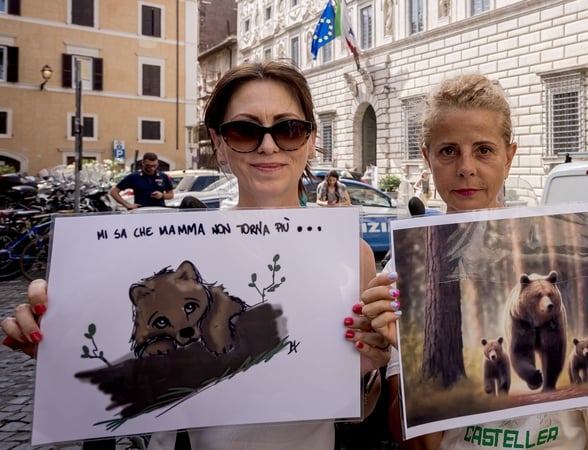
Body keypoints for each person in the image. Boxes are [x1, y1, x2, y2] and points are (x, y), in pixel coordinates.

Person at [0, 61, 393, 449]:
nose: (268, 145)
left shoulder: (348, 253)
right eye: (244, 130)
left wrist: (364, 370)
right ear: (219, 143)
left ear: (309, 138)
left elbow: (358, 411)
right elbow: (123, 370)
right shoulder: (163, 250)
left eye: (287, 128)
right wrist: (61, 347)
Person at [356, 74, 588, 450]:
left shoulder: (557, 243)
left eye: (484, 150)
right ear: (427, 158)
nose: (466, 167)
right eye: (448, 151)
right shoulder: (405, 270)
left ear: (509, 157)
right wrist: (413, 361)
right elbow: (415, 443)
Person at [109, 152, 174, 209]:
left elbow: (171, 195)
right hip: (140, 211)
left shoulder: (163, 176)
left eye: (154, 166)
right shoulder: (134, 177)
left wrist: (162, 195)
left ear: (157, 164)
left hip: (160, 210)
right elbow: (114, 192)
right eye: (148, 166)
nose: (152, 168)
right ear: (143, 163)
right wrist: (127, 204)